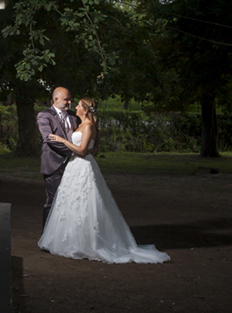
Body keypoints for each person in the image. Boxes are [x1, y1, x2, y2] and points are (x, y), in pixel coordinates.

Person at [38, 98, 170, 264]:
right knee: (71, 201)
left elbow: (82, 150)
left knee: (87, 202)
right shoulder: (80, 124)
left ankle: (91, 243)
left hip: (83, 166)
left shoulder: (88, 126)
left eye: (78, 105)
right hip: (73, 167)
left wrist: (62, 140)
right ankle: (71, 240)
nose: (75, 107)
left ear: (85, 110)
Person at [36, 87, 81, 227]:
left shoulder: (74, 116)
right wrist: (74, 152)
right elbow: (49, 139)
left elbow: (87, 132)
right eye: (66, 99)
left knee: (72, 200)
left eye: (70, 99)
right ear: (56, 99)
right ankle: (46, 236)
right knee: (53, 200)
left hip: (74, 165)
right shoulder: (45, 115)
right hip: (53, 164)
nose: (69, 102)